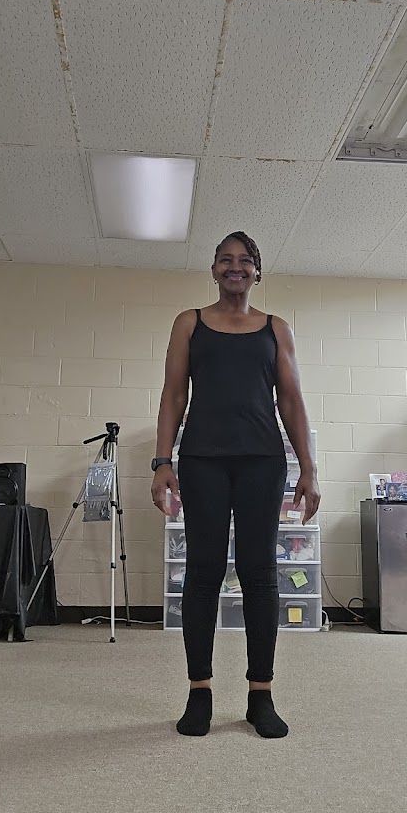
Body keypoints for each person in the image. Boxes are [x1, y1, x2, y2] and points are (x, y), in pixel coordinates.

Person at [151, 231, 321, 739]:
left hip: (262, 462)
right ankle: (199, 691)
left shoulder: (275, 328)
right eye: (225, 259)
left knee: (259, 572)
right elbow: (173, 394)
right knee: (202, 572)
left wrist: (308, 468)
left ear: (257, 271)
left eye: (245, 260)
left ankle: (260, 694)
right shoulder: (189, 323)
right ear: (213, 269)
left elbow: (291, 400)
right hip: (202, 461)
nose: (235, 267)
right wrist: (162, 461)